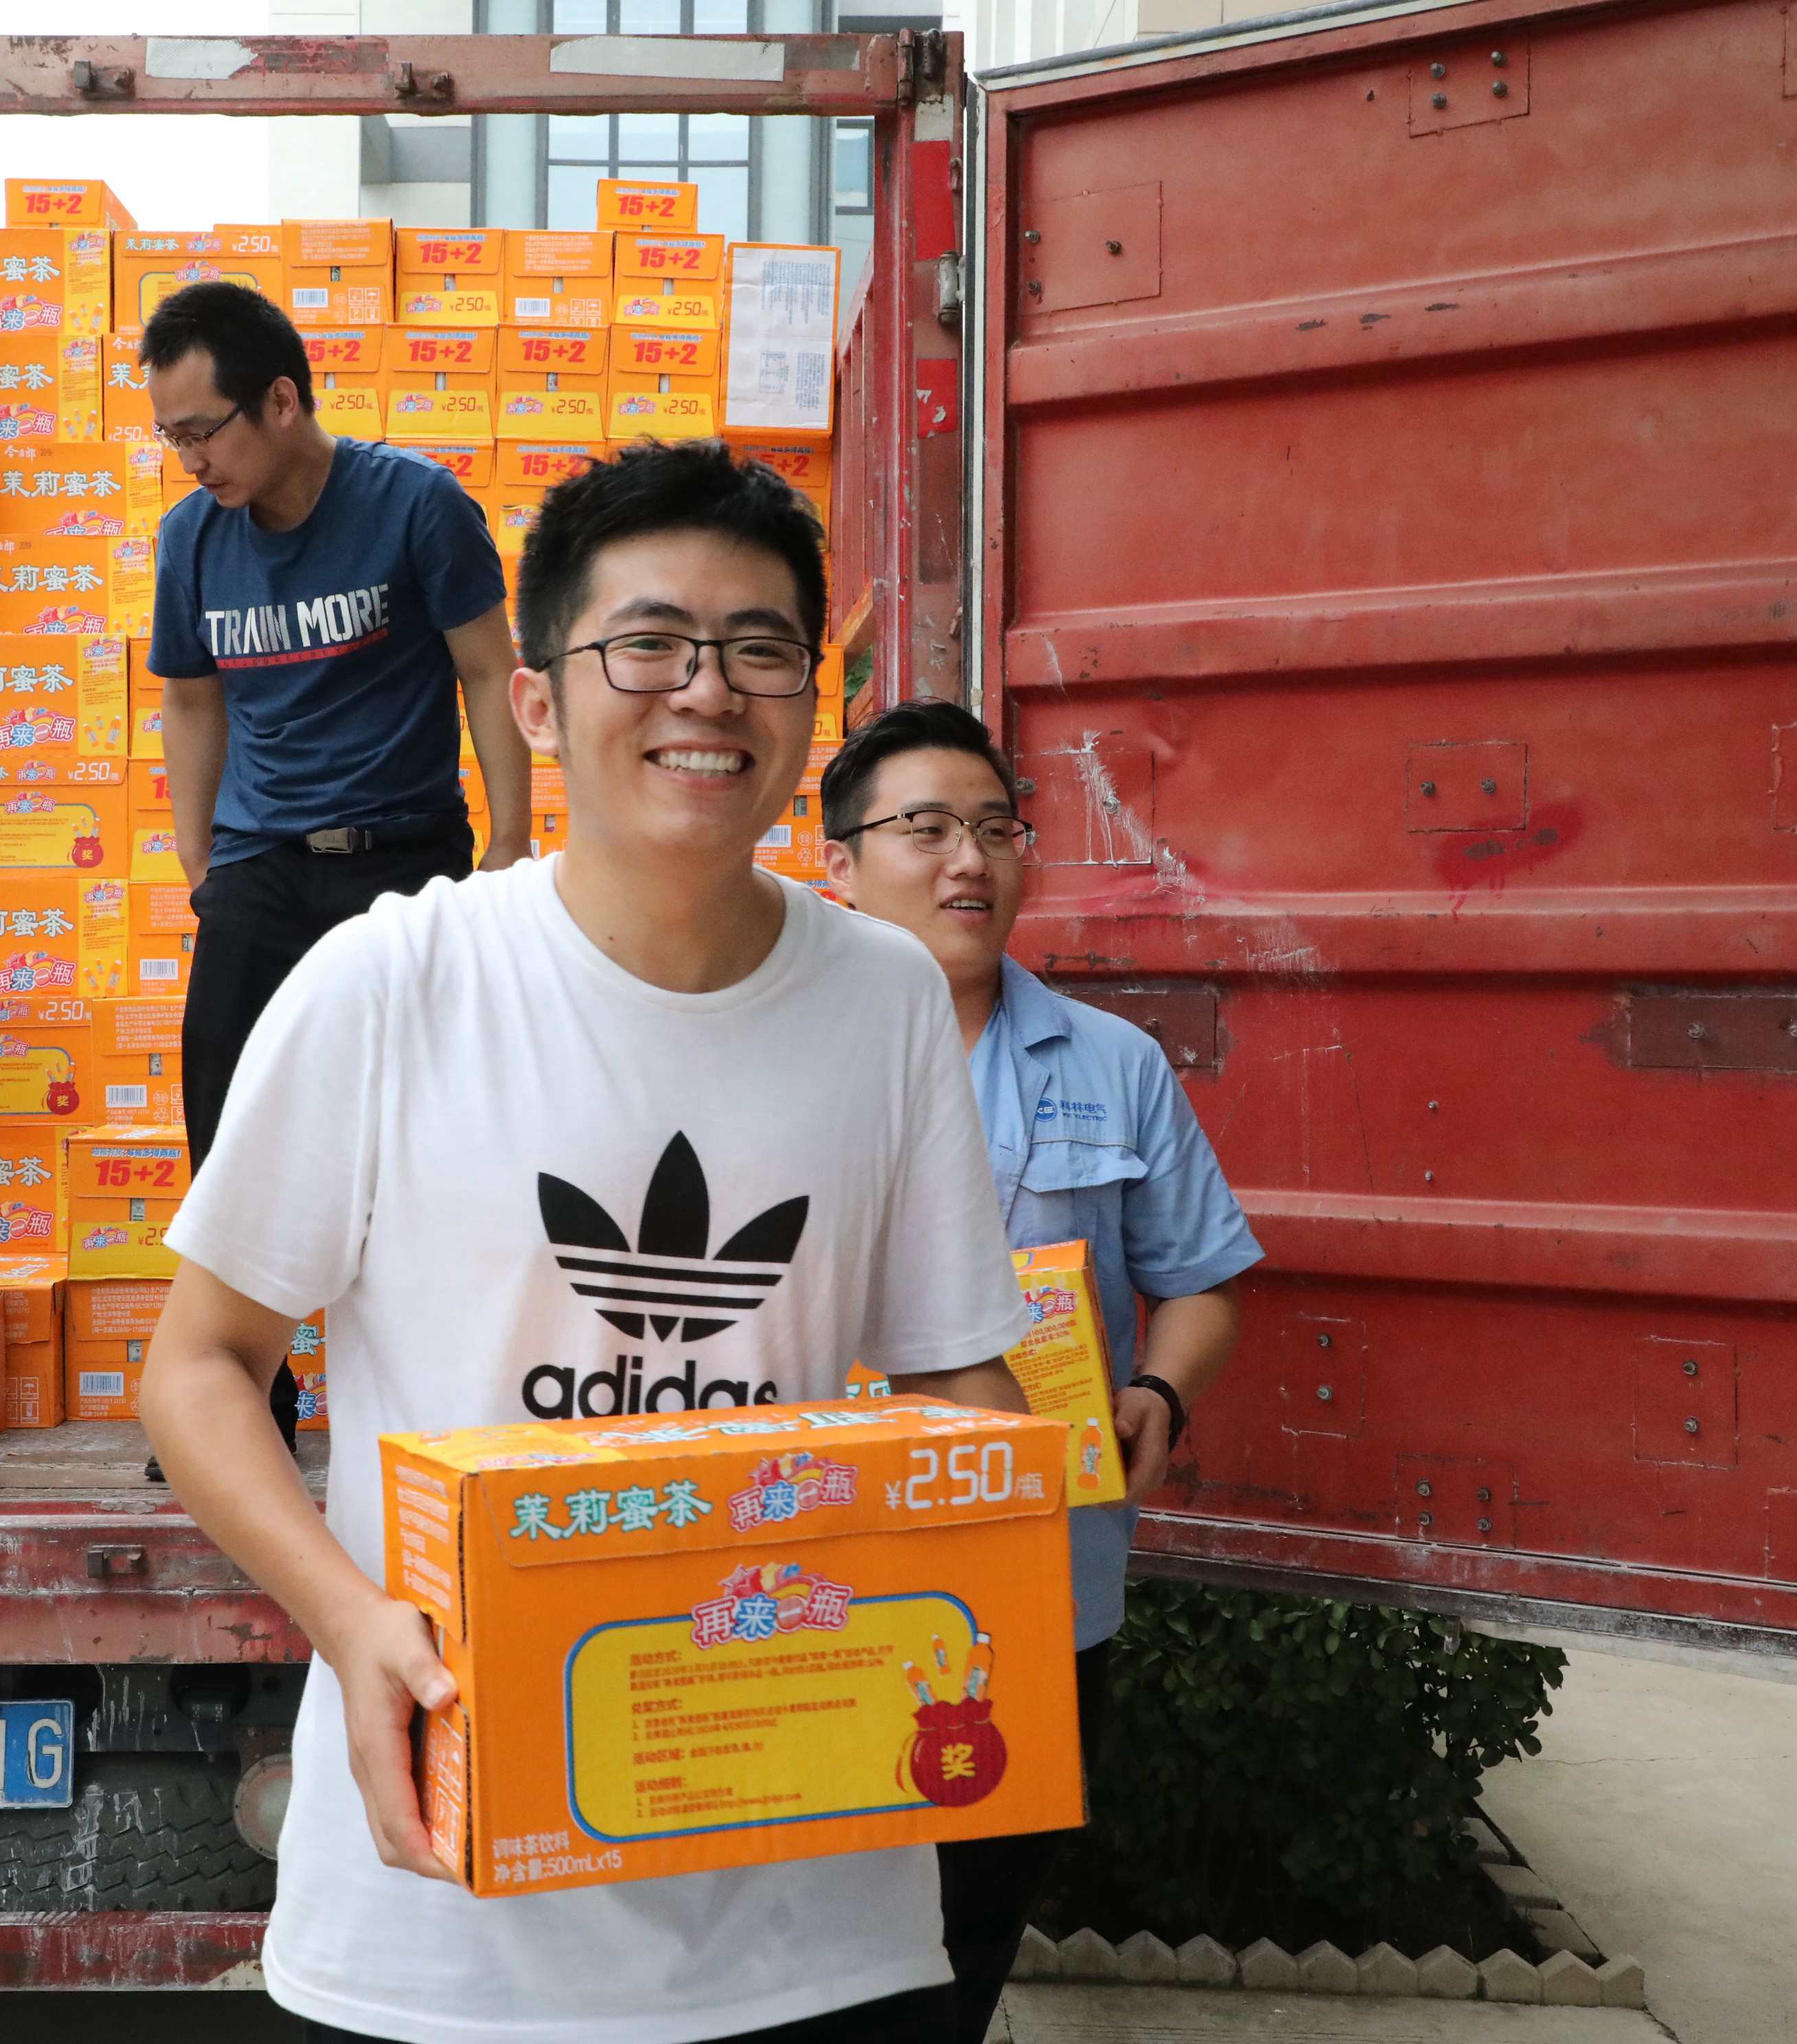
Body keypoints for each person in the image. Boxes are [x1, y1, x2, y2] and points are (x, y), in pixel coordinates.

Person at [139, 440, 1035, 2044]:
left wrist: (1000, 1577)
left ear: (808, 704)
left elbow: (957, 1377)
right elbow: (199, 1365)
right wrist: (349, 1619)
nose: (707, 690)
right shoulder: (390, 983)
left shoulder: (885, 997)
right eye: (649, 643)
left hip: (814, 1904)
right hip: (447, 1912)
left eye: (757, 647)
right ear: (538, 702)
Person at [820, 698, 1262, 2044]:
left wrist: (1161, 1391)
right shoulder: (772, 1061)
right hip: (816, 1577)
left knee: (973, 1918)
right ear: (838, 864)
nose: (970, 859)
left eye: (996, 828)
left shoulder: (1113, 1066)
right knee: (801, 1923)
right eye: (926, 828)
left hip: (1040, 1588)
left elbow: (1202, 1280)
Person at [142, 278, 534, 1174]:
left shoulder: (418, 504)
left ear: (281, 400)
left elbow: (487, 670)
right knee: (228, 1144)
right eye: (172, 437)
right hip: (259, 868)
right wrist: (199, 860)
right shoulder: (189, 539)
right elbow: (191, 700)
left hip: (404, 860)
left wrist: (510, 840)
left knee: (424, 1144)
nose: (190, 460)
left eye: (202, 432)